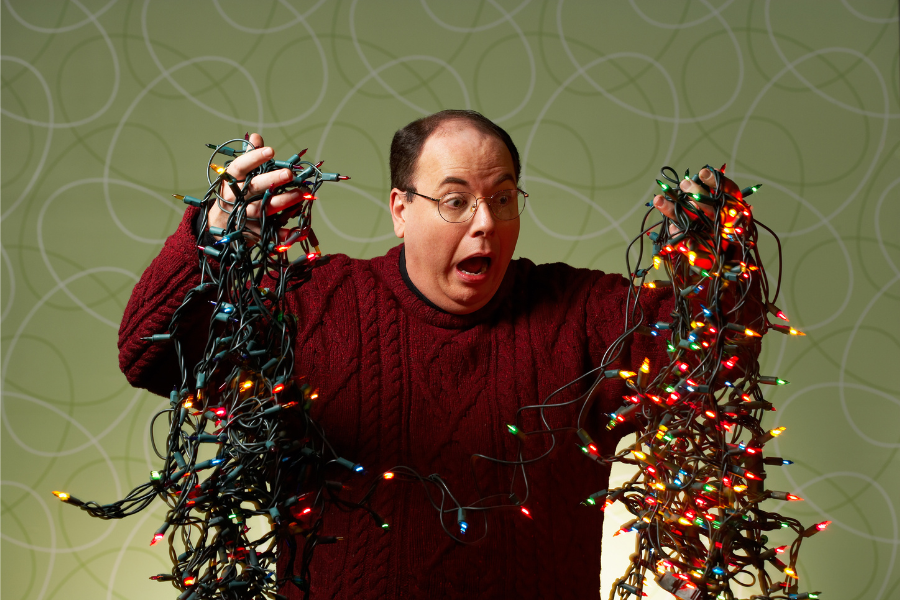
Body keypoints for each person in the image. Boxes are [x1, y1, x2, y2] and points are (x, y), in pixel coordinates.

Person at [118, 110, 735, 599]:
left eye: (502, 198)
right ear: (400, 210)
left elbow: (708, 358)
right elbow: (149, 354)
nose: (485, 222)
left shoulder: (581, 317)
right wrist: (214, 239)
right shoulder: (316, 308)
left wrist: (715, 260)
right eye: (456, 199)